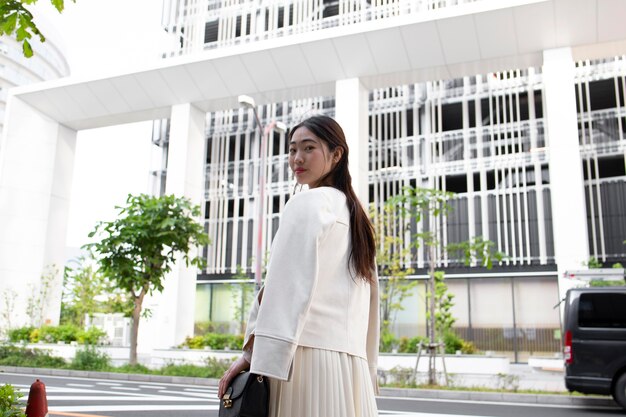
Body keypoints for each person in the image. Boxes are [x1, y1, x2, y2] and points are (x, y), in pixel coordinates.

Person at [218, 115, 379, 417]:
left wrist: (252, 354)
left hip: (304, 361)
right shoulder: (356, 216)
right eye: (292, 150)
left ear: (336, 154)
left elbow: (284, 289)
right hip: (349, 367)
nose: (297, 159)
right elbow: (368, 305)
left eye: (308, 148)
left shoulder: (307, 203)